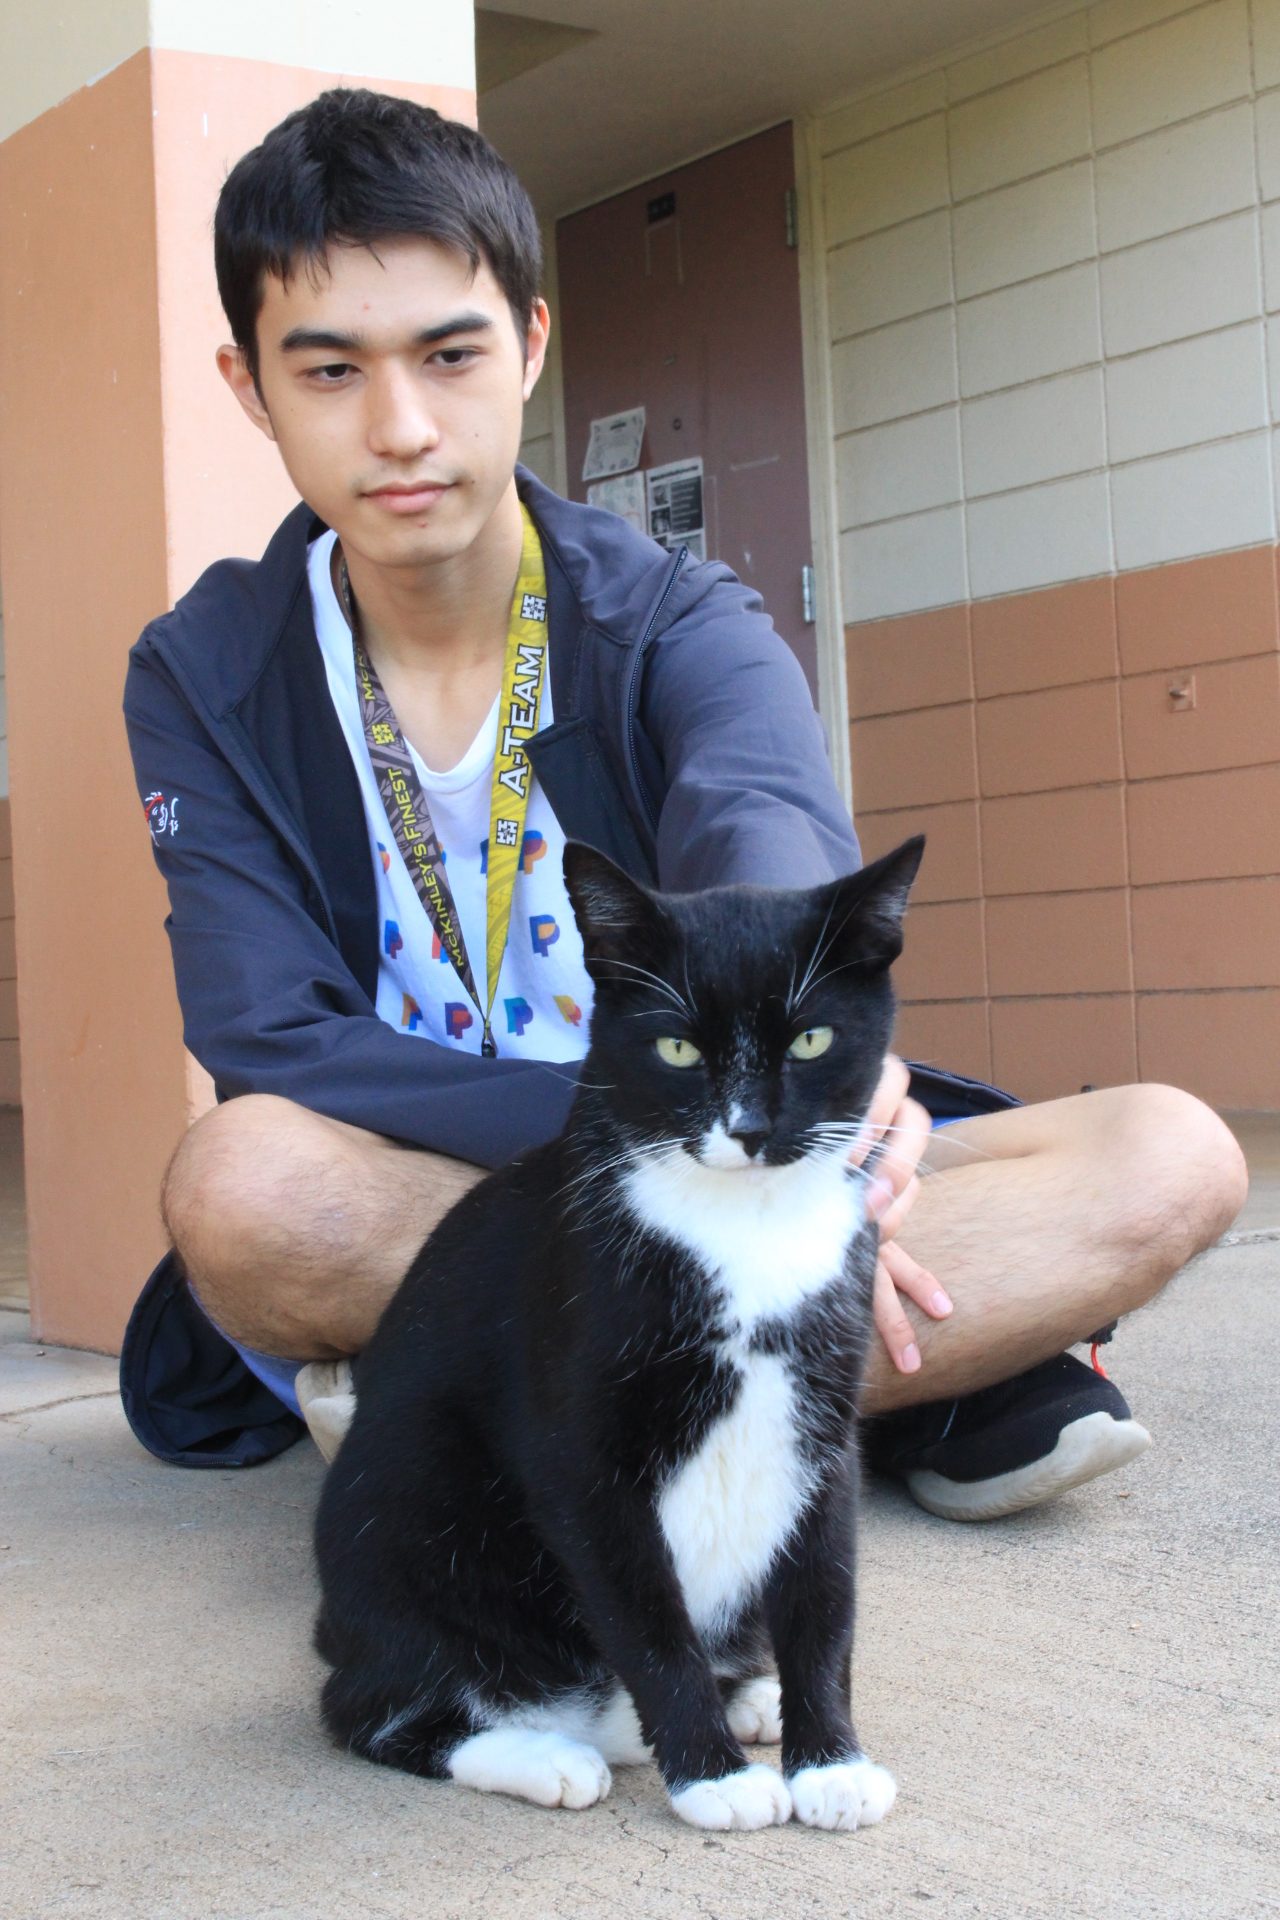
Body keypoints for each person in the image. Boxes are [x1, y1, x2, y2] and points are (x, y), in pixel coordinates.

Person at [120, 88, 1246, 1518]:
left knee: (1172, 1153)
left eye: (448, 356)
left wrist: (775, 1158)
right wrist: (657, 1186)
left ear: (528, 345)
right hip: (443, 1175)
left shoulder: (667, 616)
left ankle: (498, 1404)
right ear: (250, 387)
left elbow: (775, 880)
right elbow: (263, 1030)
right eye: (330, 371)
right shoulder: (208, 668)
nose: (401, 427)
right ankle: (891, 1379)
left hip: (739, 1130)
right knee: (241, 1182)